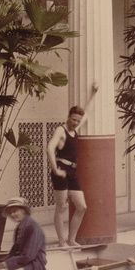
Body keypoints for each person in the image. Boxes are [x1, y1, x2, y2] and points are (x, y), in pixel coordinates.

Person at [47, 83, 98, 248]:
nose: (76, 122)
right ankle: (62, 242)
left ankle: (71, 239)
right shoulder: (60, 131)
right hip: (60, 171)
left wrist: (93, 94)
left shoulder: (75, 129)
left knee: (82, 206)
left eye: (78, 120)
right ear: (68, 117)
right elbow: (49, 148)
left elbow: (87, 112)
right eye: (73, 119)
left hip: (72, 172)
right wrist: (55, 169)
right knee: (61, 207)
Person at [0, 197, 47, 270]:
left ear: (24, 211)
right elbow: (14, 252)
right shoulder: (20, 227)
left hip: (34, 266)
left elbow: (28, 256)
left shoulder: (32, 227)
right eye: (10, 212)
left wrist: (6, 264)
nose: (12, 214)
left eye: (15, 211)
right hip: (23, 263)